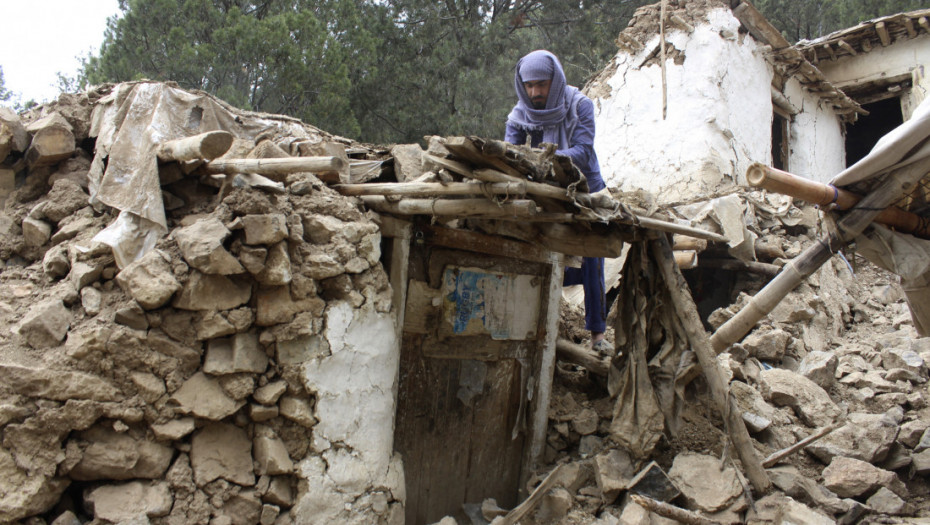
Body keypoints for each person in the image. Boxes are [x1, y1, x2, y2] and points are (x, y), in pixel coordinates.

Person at [504, 49, 610, 354]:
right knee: (534, 250)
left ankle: (598, 334)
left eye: (542, 84)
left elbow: (582, 151)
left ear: (555, 80)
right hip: (544, 193)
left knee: (592, 257)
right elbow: (510, 152)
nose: (535, 92)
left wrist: (541, 158)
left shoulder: (580, 106)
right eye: (530, 85)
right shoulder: (519, 114)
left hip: (583, 190)